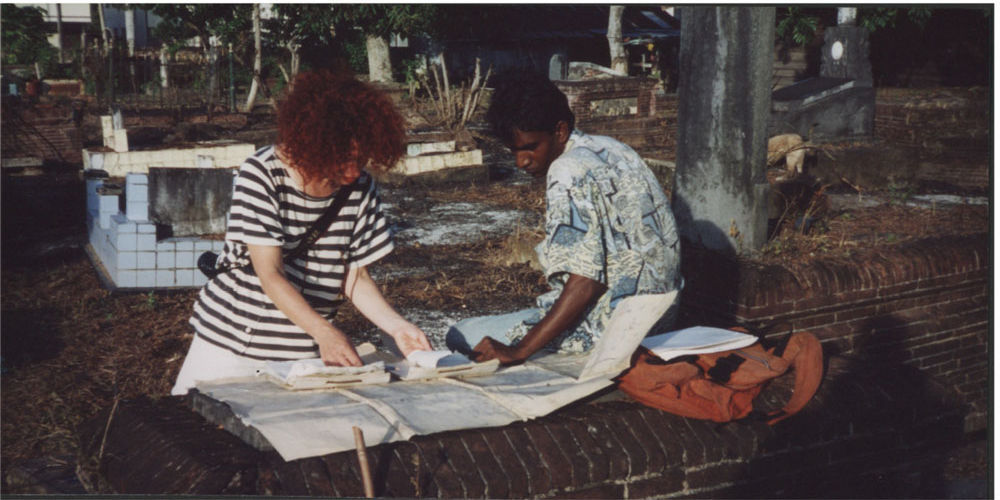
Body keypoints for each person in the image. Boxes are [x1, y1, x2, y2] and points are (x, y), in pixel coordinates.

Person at [172, 70, 430, 395]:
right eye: (343, 159)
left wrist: (397, 326)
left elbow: (355, 277)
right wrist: (324, 332)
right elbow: (271, 274)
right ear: (315, 143)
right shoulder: (262, 173)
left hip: (303, 349)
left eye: (361, 158)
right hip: (233, 341)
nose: (353, 171)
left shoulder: (361, 187)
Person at [446, 70, 683, 365]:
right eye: (514, 151)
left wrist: (519, 350)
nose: (521, 162)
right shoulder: (614, 148)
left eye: (530, 148)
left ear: (559, 131)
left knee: (461, 333)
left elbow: (586, 283)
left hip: (611, 333)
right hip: (661, 319)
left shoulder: (567, 170)